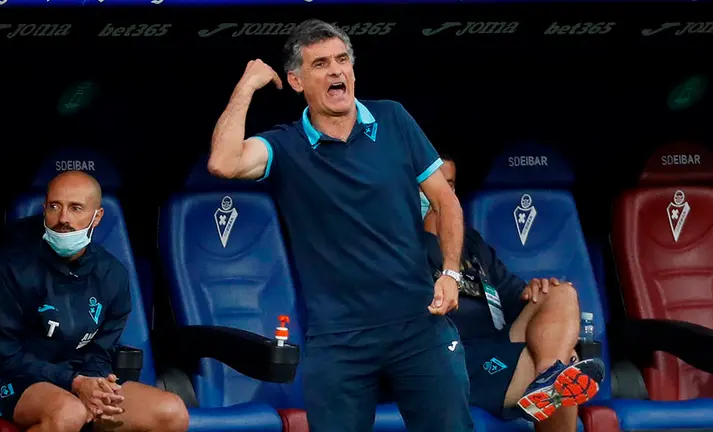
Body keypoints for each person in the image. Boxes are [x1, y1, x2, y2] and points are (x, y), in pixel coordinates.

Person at [208, 19, 473, 432]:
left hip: (418, 323)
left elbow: (445, 200)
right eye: (320, 64)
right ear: (296, 81)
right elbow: (223, 163)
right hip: (338, 338)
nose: (336, 71)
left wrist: (452, 273)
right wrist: (246, 86)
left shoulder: (394, 118)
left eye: (342, 60)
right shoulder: (286, 145)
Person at [0, 171, 189, 432]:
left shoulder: (111, 274)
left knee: (170, 412)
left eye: (76, 208)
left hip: (78, 381)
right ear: (44, 210)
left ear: (97, 216)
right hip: (10, 380)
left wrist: (96, 387)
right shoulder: (7, 268)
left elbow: (101, 350)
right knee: (69, 413)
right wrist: (73, 382)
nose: (63, 219)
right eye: (54, 207)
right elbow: (2, 355)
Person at [423, 154, 604, 431]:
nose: (445, 194)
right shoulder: (399, 244)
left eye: (451, 185)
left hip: (496, 342)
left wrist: (533, 290)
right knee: (567, 368)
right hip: (454, 356)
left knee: (560, 292)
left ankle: (548, 373)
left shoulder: (469, 241)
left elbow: (513, 294)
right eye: (433, 185)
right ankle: (553, 374)